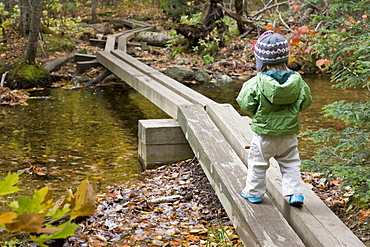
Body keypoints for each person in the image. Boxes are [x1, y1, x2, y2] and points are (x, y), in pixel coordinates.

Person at [236, 30, 312, 206]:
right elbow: (305, 102)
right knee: (290, 163)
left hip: (264, 135)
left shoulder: (256, 82)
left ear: (261, 61)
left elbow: (245, 103)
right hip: (288, 135)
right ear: (285, 57)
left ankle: (254, 192)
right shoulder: (298, 81)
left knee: (257, 163)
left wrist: (258, 111)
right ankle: (295, 193)